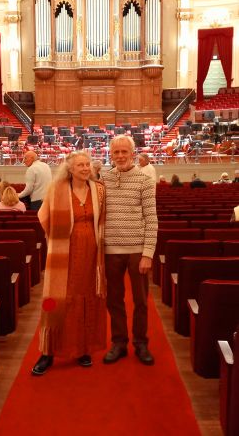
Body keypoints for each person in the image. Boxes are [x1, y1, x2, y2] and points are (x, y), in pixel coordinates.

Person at [32, 151, 106, 375]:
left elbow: (104, 218)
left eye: (87, 165)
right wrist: (58, 238)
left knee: (87, 297)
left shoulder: (99, 189)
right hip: (65, 253)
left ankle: (83, 349)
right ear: (70, 169)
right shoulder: (57, 189)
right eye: (80, 165)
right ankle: (48, 352)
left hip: (91, 254)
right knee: (57, 299)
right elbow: (43, 216)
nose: (85, 168)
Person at [102, 136, 158, 366]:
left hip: (137, 250)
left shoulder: (145, 180)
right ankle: (119, 342)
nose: (120, 156)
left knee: (141, 301)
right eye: (116, 152)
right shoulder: (103, 179)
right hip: (110, 250)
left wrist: (148, 253)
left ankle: (141, 343)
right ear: (111, 154)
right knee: (114, 299)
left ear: (133, 153)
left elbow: (152, 219)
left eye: (124, 151)